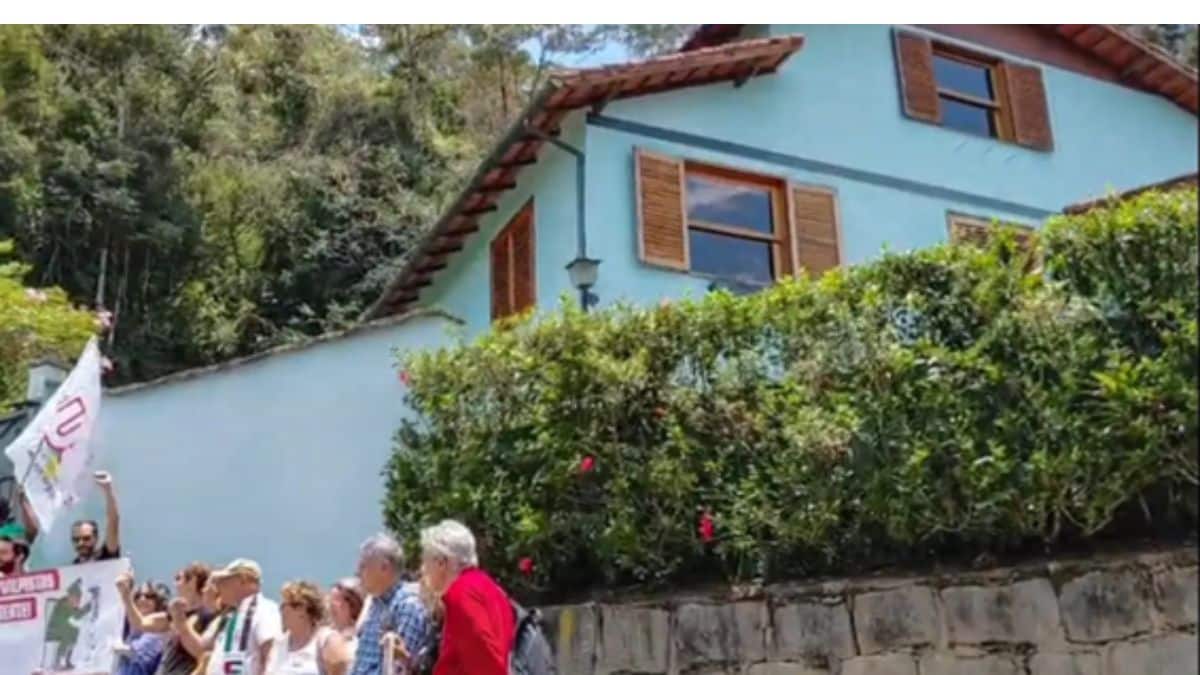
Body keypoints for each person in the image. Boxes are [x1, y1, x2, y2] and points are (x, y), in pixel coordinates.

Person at [419, 520, 514, 675]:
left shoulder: (461, 593)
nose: (423, 569)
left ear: (441, 562)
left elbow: (488, 666)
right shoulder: (487, 586)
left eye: (425, 561)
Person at [172, 559, 281, 675]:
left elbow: (271, 652)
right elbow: (202, 650)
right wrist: (180, 621)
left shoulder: (264, 609)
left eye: (224, 581)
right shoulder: (232, 617)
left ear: (243, 580)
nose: (218, 587)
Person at [350, 534, 428, 675]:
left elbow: (398, 669)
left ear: (384, 567)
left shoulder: (407, 606)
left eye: (363, 566)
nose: (358, 572)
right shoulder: (376, 604)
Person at [119, 563, 216, 675]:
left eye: (178, 578)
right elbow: (140, 623)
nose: (175, 583)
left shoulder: (208, 615)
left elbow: (203, 653)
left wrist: (180, 622)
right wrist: (125, 595)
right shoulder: (174, 615)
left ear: (193, 581)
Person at [267, 581, 351, 675]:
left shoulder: (327, 641)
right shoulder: (279, 643)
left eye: (284, 605)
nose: (280, 609)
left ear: (301, 609)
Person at [114, 582, 170, 675]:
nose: (142, 599)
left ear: (158, 601)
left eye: (149, 596)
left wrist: (116, 648)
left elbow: (138, 655)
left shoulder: (160, 629)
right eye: (138, 596)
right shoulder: (132, 633)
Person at [71, 470, 122, 564]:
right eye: (76, 540)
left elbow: (113, 520)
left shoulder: (107, 554)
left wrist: (107, 489)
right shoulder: (75, 565)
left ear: (96, 538)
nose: (80, 543)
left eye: (86, 538)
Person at [327, 578, 364, 652]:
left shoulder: (360, 636)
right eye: (331, 599)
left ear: (353, 605)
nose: (331, 604)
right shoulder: (325, 635)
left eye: (336, 599)